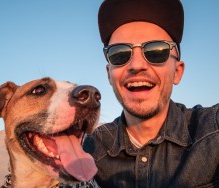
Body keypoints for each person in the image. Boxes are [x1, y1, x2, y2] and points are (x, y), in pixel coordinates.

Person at [74, 0, 219, 187]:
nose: (136, 65)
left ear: (177, 71)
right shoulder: (86, 152)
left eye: (156, 51)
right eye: (119, 54)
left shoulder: (212, 132)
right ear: (109, 74)